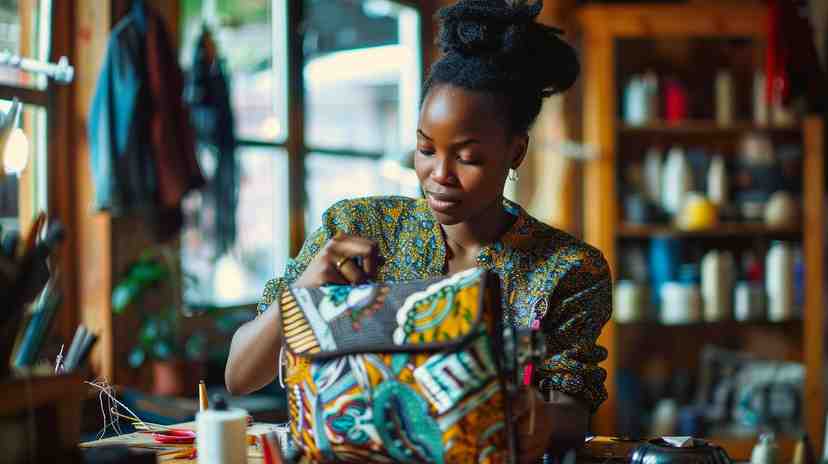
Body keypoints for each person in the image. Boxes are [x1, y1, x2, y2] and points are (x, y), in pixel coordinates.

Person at [225, 0, 612, 461]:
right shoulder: (356, 229)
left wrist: (529, 414)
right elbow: (239, 377)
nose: (439, 174)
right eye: (426, 149)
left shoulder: (566, 268)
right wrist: (305, 294)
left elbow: (573, 411)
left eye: (467, 157)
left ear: (516, 151)